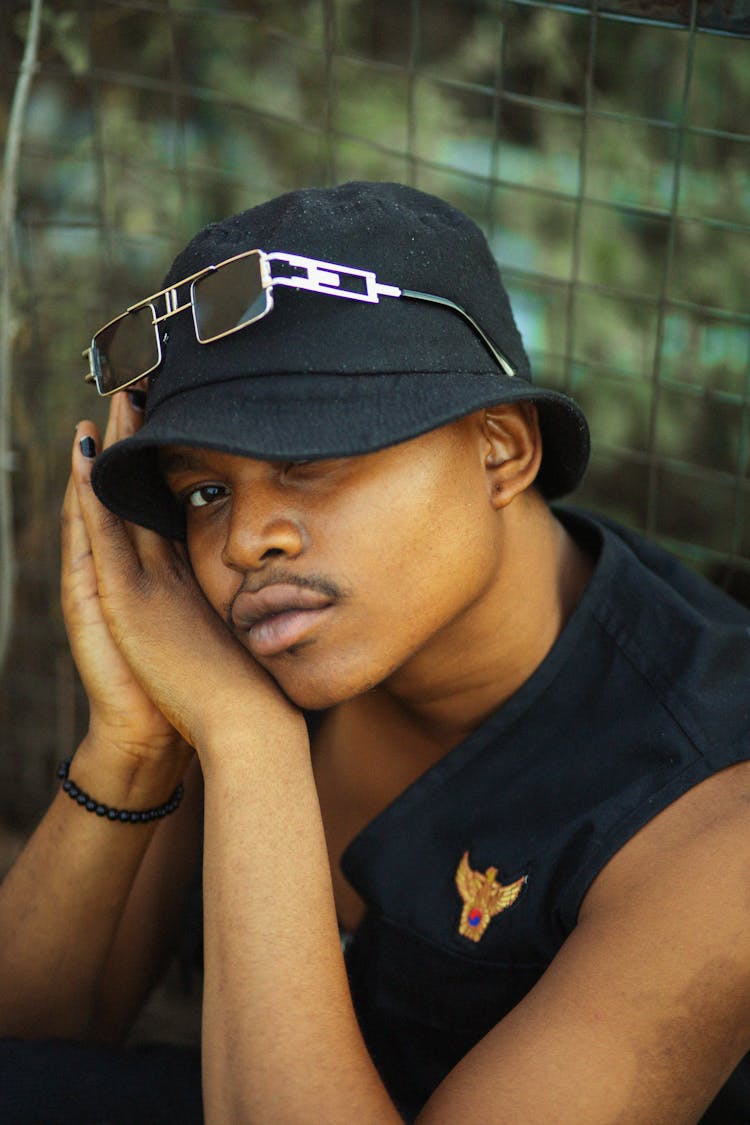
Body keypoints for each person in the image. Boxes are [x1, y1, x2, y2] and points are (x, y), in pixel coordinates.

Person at [1, 180, 749, 1124]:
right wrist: (137, 742)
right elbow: (28, 1039)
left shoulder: (716, 808)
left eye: (309, 461)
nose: (244, 542)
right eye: (204, 492)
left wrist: (252, 746)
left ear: (501, 451)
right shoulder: (278, 638)